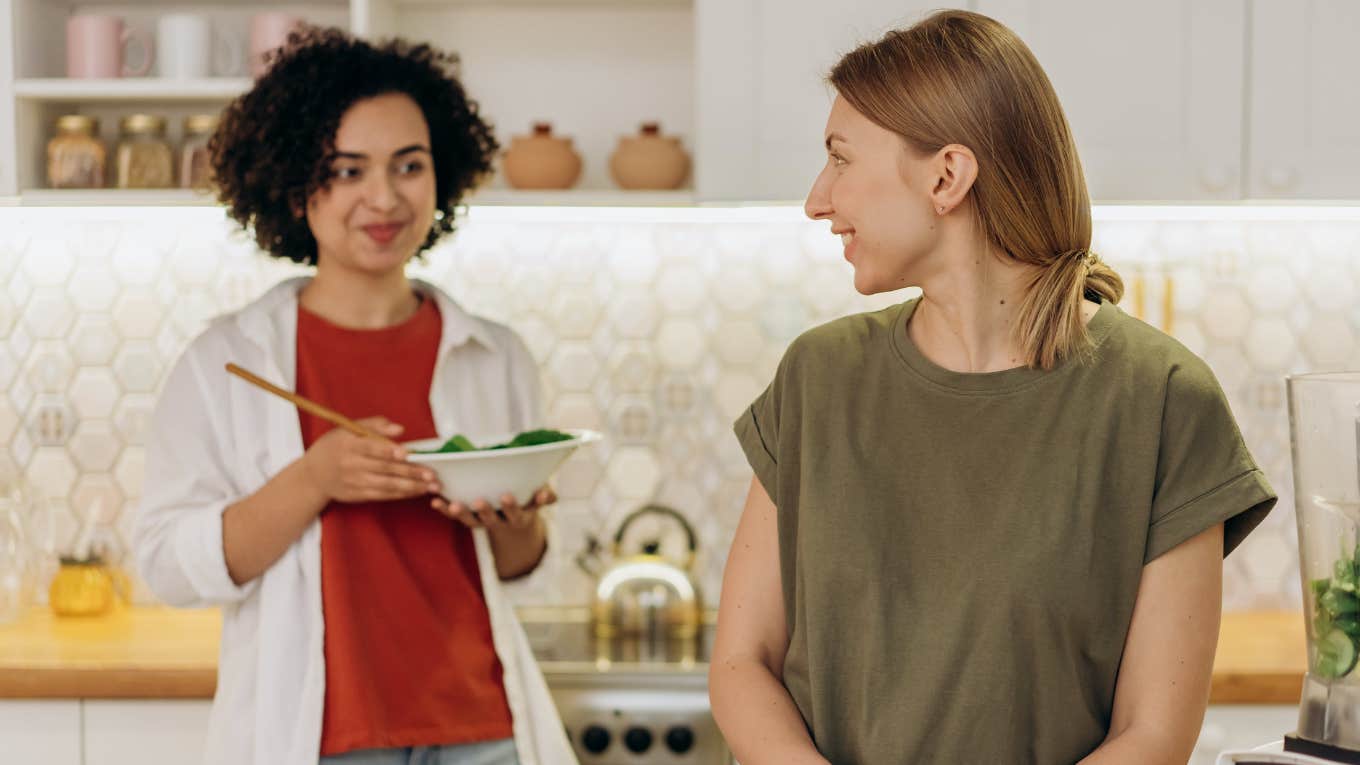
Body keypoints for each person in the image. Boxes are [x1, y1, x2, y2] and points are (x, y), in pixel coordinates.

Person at [709, 10, 1278, 765]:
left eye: (841, 159)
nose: (818, 199)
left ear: (946, 176)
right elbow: (741, 662)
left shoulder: (1162, 398)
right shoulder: (817, 379)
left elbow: (1153, 732)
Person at [133, 28, 576, 765]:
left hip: (486, 728)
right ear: (293, 183)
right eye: (346, 170)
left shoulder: (493, 353)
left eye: (409, 164)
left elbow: (518, 564)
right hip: (320, 736)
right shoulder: (228, 360)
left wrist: (513, 518)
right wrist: (315, 478)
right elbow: (168, 565)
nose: (383, 197)